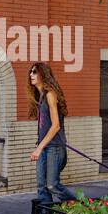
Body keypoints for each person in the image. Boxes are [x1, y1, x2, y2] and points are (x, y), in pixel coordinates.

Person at [28, 61, 73, 204]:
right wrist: (40, 147)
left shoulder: (50, 95)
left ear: (43, 75)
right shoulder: (40, 97)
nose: (31, 75)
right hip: (44, 147)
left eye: (35, 72)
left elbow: (56, 126)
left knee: (52, 184)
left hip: (54, 148)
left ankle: (81, 207)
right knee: (42, 188)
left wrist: (39, 148)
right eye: (31, 71)